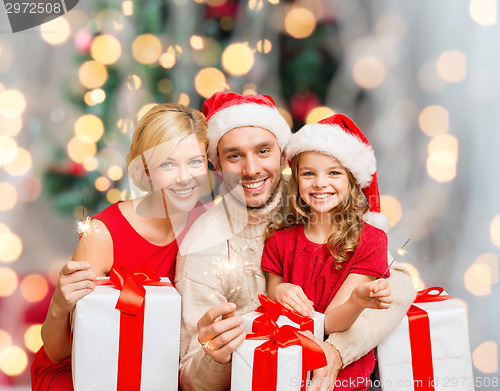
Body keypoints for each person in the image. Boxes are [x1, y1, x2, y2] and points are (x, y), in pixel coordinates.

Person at [175, 92, 416, 391]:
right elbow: (190, 379)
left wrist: (337, 350)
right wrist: (217, 356)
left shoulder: (316, 193)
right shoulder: (203, 246)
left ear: (282, 153)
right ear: (217, 164)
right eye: (234, 156)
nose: (251, 170)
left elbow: (399, 282)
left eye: (263, 151)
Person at [31, 103, 209, 391]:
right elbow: (58, 352)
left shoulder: (205, 222)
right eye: (167, 163)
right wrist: (58, 306)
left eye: (195, 161)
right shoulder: (103, 234)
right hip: (90, 368)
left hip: (157, 366)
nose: (184, 176)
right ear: (145, 170)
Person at [262, 113, 393, 391]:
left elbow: (331, 323)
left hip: (344, 380)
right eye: (309, 173)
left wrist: (357, 302)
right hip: (284, 371)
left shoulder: (371, 241)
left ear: (352, 180)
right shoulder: (279, 239)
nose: (320, 183)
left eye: (333, 172)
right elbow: (271, 295)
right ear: (296, 179)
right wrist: (281, 289)